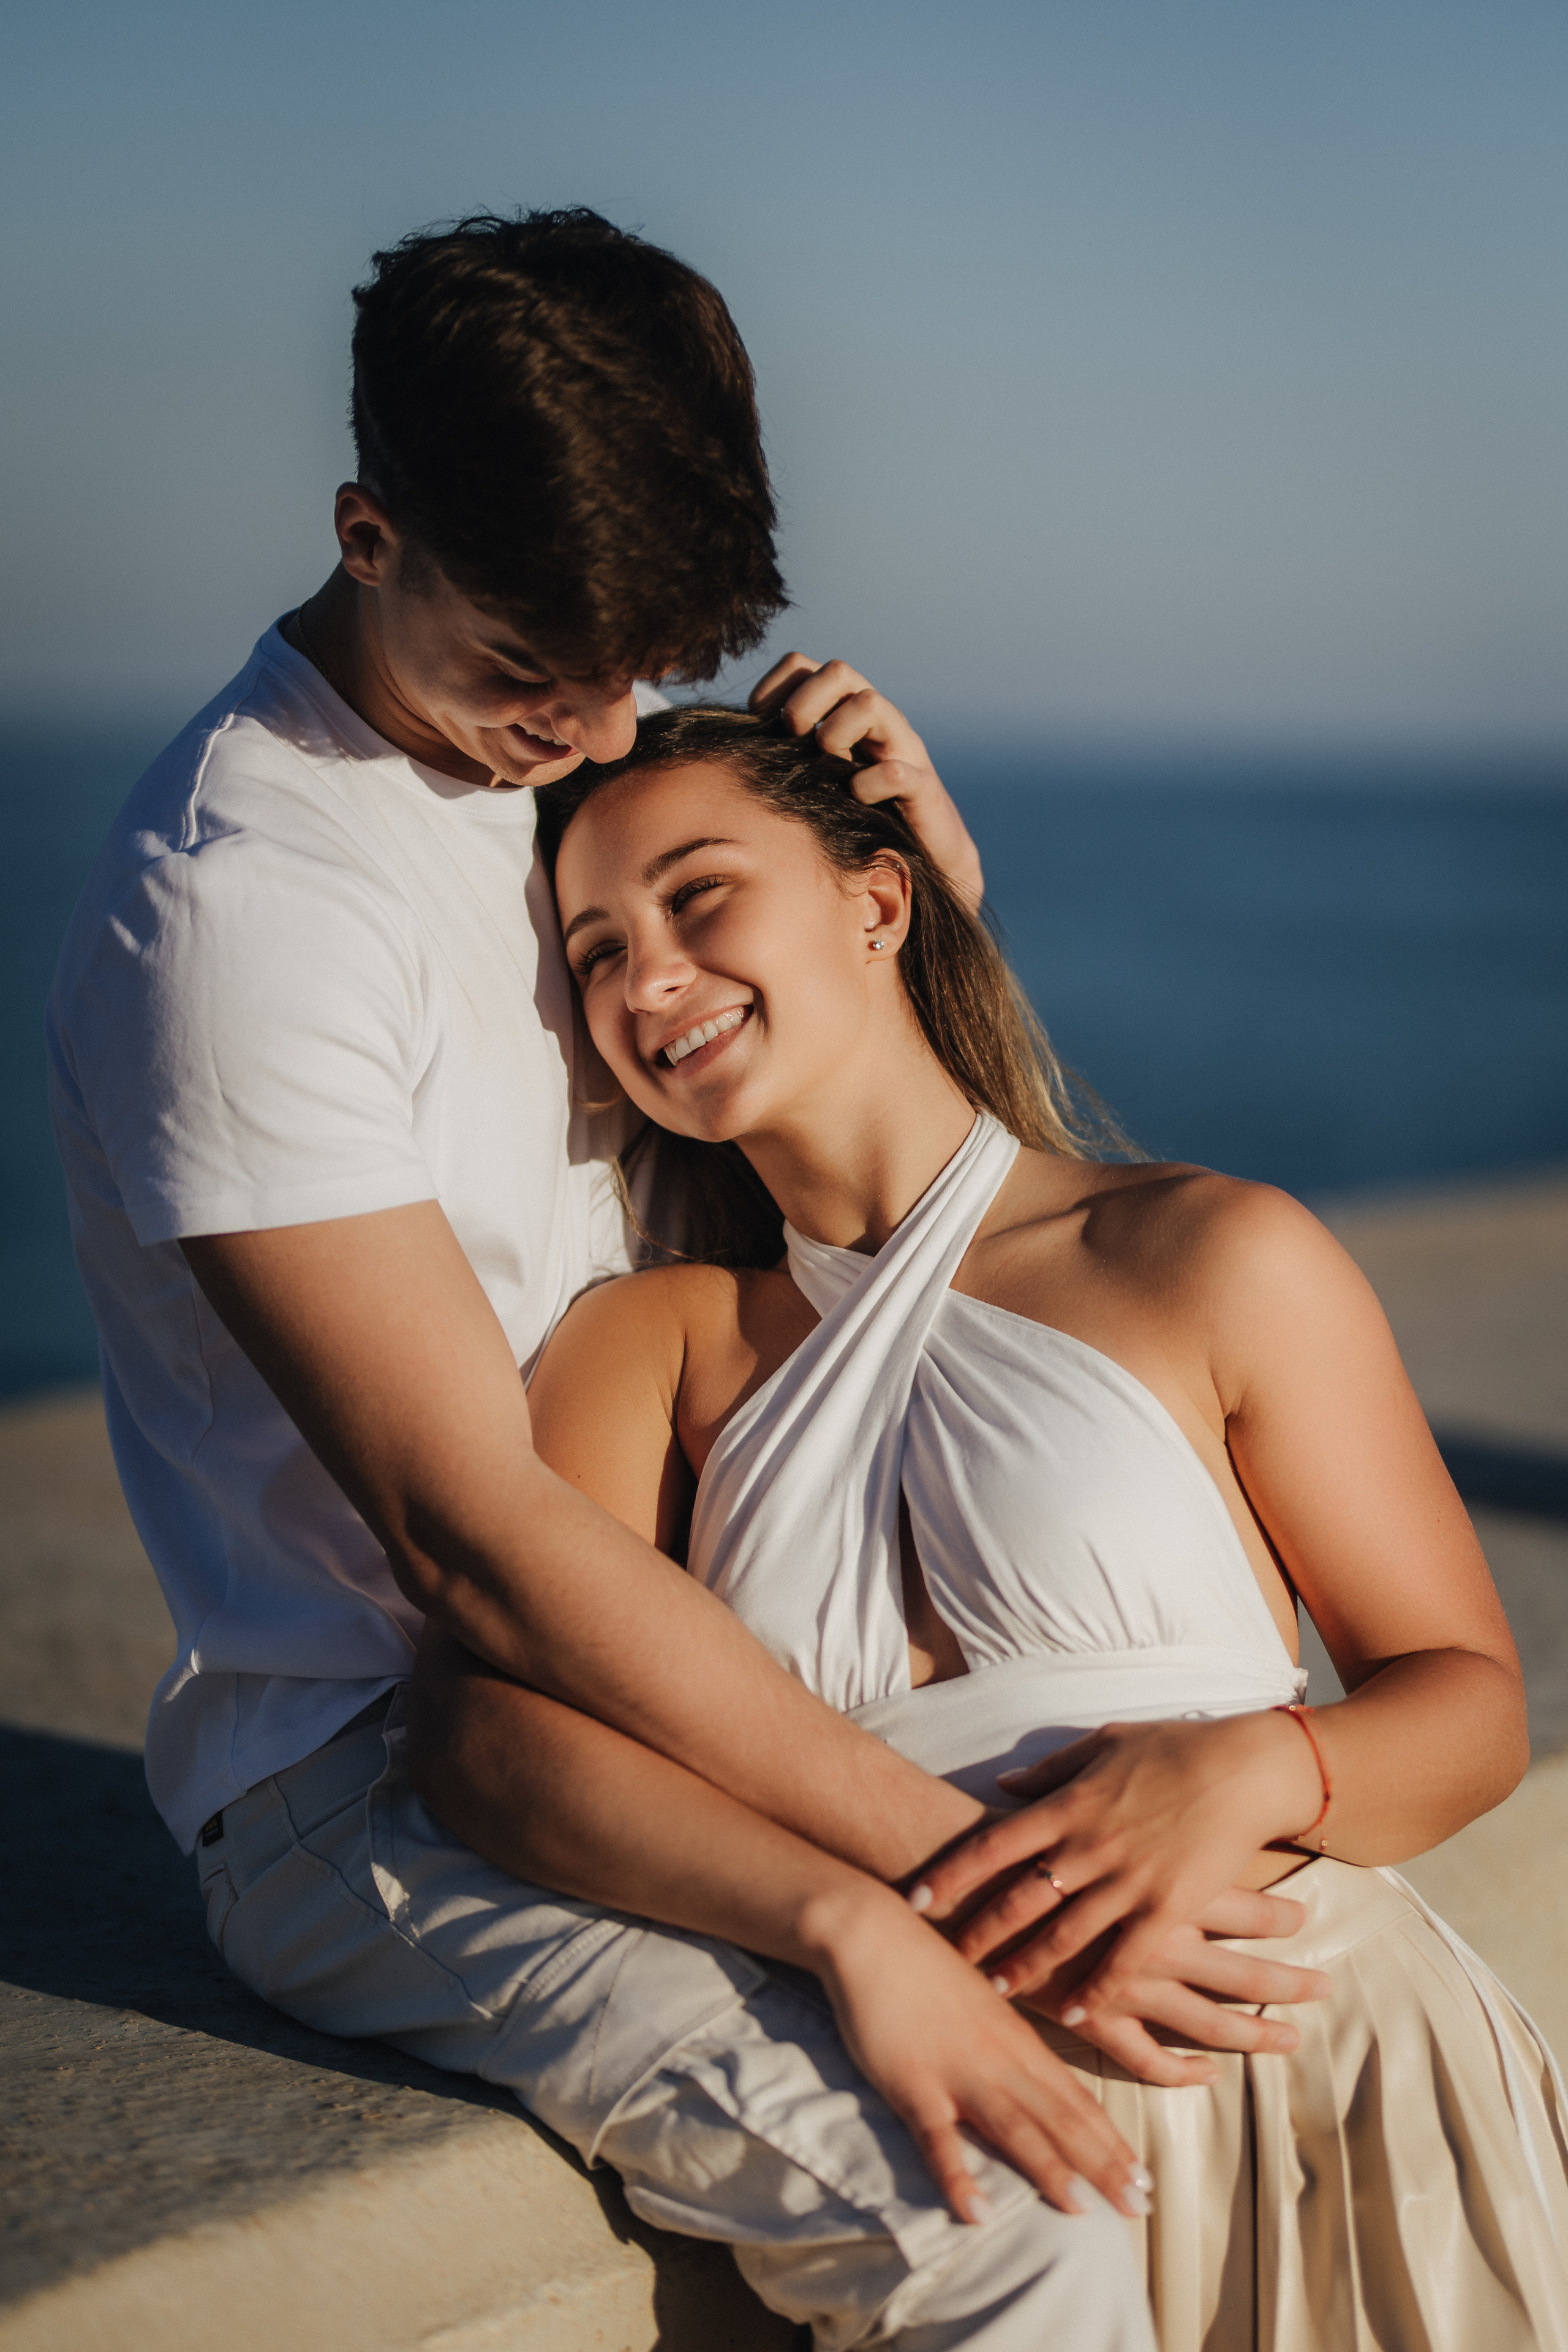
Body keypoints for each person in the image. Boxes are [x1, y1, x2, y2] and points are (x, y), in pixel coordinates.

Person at [49, 208, 1324, 2352]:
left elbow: (823, 1162)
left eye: (645, 662)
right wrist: (935, 1880)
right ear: (367, 535)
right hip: (390, 1766)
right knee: (1004, 2206)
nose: (598, 721)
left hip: (728, 1675)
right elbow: (478, 1545)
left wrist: (925, 908)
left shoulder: (561, 784)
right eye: (539, 664)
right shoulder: (249, 906)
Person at [409, 703, 1568, 2352]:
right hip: (965, 2117)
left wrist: (1247, 1766)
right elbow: (484, 1737)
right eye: (594, 949)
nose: (645, 977)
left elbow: (1469, 1703)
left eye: (696, 895)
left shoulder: (1203, 1250)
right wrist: (847, 1918)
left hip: (1335, 2082)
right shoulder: (652, 1345)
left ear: (879, 905)